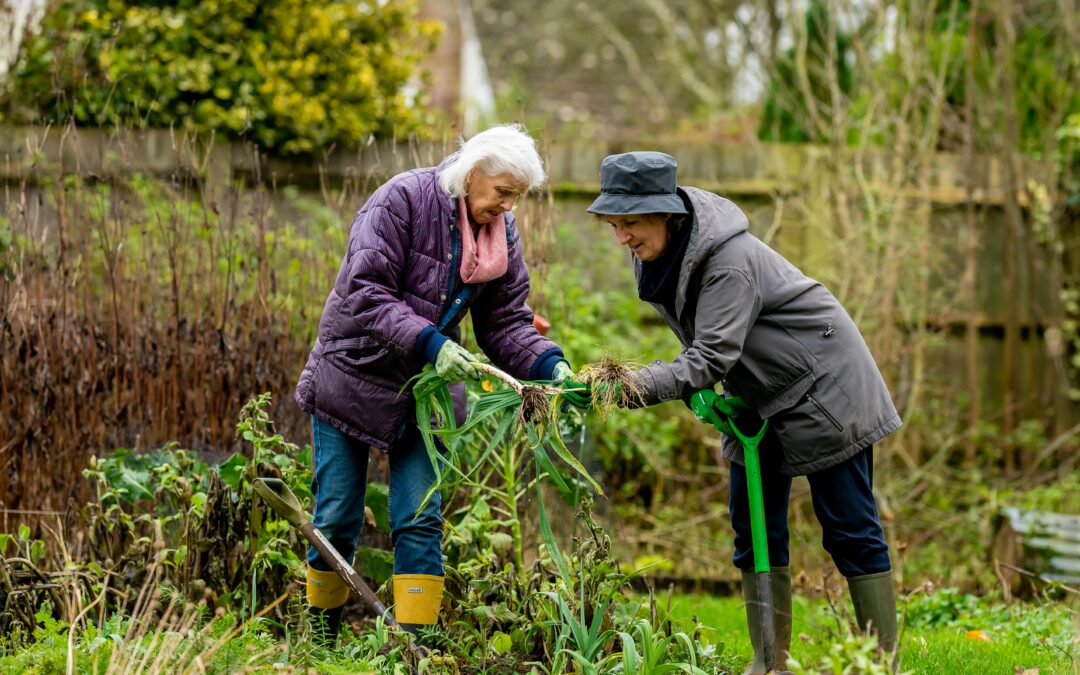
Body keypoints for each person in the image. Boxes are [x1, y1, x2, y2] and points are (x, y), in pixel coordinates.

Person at [577, 151, 901, 672]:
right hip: (759, 393)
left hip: (825, 387)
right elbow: (708, 343)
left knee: (848, 526)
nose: (622, 239)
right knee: (752, 526)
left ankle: (880, 663)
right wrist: (699, 388)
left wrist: (630, 385)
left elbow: (708, 355)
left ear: (667, 213)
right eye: (614, 225)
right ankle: (768, 662)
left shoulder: (728, 261)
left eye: (630, 224)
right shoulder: (661, 252)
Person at [293, 124, 573, 642]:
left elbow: (505, 322)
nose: (509, 208)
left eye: (517, 197)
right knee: (335, 515)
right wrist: (433, 343)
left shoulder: (498, 233)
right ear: (471, 175)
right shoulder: (402, 200)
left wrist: (550, 365)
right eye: (503, 193)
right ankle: (322, 640)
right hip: (353, 372)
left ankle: (412, 648)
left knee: (419, 517)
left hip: (427, 390)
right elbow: (365, 290)